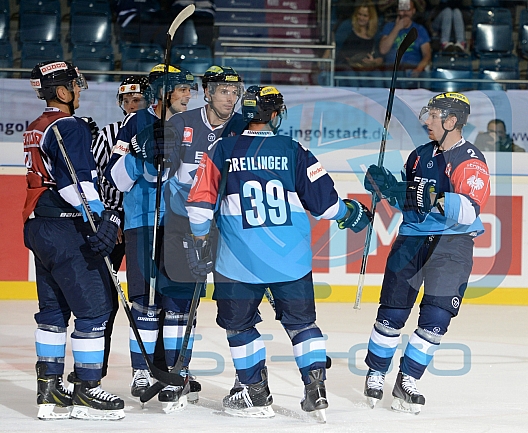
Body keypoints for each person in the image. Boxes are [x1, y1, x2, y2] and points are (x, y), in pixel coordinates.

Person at [184, 85, 371, 421]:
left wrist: (200, 242)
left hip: (238, 261)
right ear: (274, 114)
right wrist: (351, 214)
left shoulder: (222, 149)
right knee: (303, 325)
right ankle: (316, 389)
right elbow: (327, 206)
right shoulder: (293, 150)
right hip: (291, 260)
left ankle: (256, 394)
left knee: (240, 327)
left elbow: (198, 209)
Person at [361, 92, 490, 415]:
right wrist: (386, 188)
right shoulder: (419, 156)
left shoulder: (471, 161)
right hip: (411, 240)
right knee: (391, 312)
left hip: (452, 246)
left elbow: (468, 211)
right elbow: (411, 200)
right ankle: (376, 373)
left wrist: (434, 197)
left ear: (451, 121)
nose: (426, 121)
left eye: (433, 115)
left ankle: (408, 378)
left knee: (436, 318)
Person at [23, 60, 124, 420]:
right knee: (94, 308)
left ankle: (49, 389)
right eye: (75, 85)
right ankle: (86, 389)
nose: (79, 90)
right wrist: (98, 218)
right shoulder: (69, 125)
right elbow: (75, 183)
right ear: (62, 91)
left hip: (39, 225)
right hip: (66, 226)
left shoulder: (37, 125)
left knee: (53, 311)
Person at [104, 64, 198, 412]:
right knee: (145, 299)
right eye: (183, 89)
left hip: (182, 223)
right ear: (165, 91)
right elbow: (116, 177)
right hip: (143, 221)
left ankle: (177, 371)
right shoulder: (135, 122)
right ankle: (142, 370)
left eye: (191, 89)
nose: (190, 95)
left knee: (179, 302)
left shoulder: (195, 125)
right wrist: (144, 159)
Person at [163, 65, 248, 400]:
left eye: (235, 92)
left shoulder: (243, 126)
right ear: (208, 91)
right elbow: (161, 176)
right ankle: (176, 374)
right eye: (225, 91)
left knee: (237, 305)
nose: (231, 98)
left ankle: (248, 380)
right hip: (183, 223)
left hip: (227, 227)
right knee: (180, 304)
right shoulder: (180, 123)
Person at [88, 75, 150, 381]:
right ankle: (94, 373)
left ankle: (157, 368)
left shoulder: (161, 128)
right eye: (127, 101)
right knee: (104, 301)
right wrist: (111, 215)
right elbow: (100, 176)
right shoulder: (110, 133)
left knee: (151, 300)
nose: (132, 105)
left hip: (147, 223)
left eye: (137, 99)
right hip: (114, 225)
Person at [378, 0, 432, 76]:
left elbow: (427, 55)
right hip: (392, 71)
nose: (405, 13)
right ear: (397, 10)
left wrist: (418, 69)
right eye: (402, 10)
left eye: (408, 10)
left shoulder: (420, 29)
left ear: (413, 11)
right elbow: (383, 50)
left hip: (413, 70)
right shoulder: (389, 27)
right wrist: (397, 27)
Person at [337, 1, 384, 71]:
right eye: (359, 14)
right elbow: (336, 46)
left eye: (365, 16)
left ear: (371, 17)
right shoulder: (347, 26)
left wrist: (374, 61)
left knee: (377, 76)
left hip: (367, 68)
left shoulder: (375, 32)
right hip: (347, 66)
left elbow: (380, 57)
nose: (361, 18)